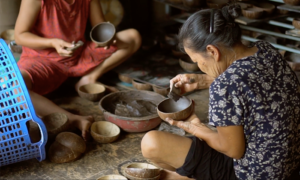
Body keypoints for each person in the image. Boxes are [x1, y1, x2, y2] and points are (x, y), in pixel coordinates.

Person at [141, 4, 300, 180]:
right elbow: (251, 82)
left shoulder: (225, 86)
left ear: (212, 51)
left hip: (254, 174)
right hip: (290, 166)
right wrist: (200, 80)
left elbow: (233, 150)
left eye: (197, 61)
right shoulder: (266, 50)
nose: (199, 66)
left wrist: (197, 128)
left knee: (152, 146)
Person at [14, 0, 141, 140]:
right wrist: (52, 42)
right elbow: (20, 36)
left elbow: (99, 26)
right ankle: (73, 119)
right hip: (42, 61)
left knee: (132, 37)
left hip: (78, 55)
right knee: (14, 87)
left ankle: (89, 78)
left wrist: (106, 39)